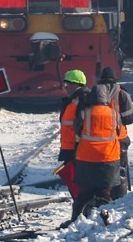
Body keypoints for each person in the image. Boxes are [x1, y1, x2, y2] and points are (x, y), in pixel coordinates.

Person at [69, 72, 129, 224]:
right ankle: (105, 222)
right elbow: (118, 130)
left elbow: (77, 130)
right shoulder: (114, 114)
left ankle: (77, 221)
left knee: (83, 195)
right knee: (106, 193)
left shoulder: (84, 113)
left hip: (86, 159)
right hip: (109, 159)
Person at [92, 66, 132, 199]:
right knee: (120, 169)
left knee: (101, 169)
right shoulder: (122, 93)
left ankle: (101, 196)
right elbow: (128, 118)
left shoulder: (95, 92)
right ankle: (120, 196)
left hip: (98, 140)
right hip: (119, 139)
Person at [56, 69, 89, 208]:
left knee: (77, 181)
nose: (65, 86)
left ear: (76, 84)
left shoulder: (82, 98)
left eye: (68, 83)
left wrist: (78, 145)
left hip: (76, 149)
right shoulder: (73, 100)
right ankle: (80, 207)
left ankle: (82, 209)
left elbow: (82, 125)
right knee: (72, 180)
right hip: (70, 147)